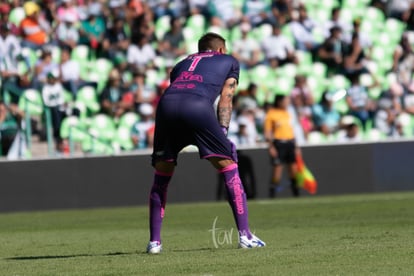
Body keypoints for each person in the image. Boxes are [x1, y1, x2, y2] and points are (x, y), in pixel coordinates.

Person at [146, 32, 265, 254]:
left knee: (161, 177)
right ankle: (245, 235)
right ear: (221, 49)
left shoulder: (181, 64)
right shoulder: (228, 61)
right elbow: (226, 97)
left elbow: (179, 91)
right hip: (197, 108)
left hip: (166, 108)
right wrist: (222, 132)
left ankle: (154, 242)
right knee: (229, 166)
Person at [264, 94, 300, 198]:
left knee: (293, 170)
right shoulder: (271, 114)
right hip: (279, 144)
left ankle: (296, 193)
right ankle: (272, 194)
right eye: (285, 101)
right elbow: (268, 132)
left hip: (290, 143)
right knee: (277, 170)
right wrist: (271, 146)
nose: (287, 103)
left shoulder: (287, 113)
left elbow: (292, 130)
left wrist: (296, 146)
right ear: (279, 102)